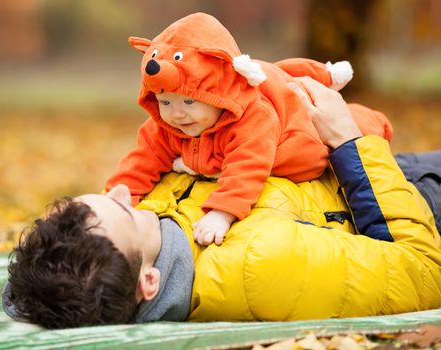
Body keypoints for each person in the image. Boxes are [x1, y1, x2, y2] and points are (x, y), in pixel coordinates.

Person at [2, 76, 441, 329]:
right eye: (123, 210)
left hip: (373, 173)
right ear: (148, 283)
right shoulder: (262, 268)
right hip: (414, 200)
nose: (121, 191)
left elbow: (30, 290)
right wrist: (347, 139)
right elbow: (424, 270)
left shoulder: (144, 239)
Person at [105, 12, 393, 246]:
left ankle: (373, 122)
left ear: (218, 93)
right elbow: (141, 161)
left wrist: (222, 212)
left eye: (190, 101)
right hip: (243, 127)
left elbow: (248, 165)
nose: (176, 113)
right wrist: (115, 203)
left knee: (321, 150)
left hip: (292, 133)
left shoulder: (251, 118)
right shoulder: (166, 123)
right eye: (165, 101)